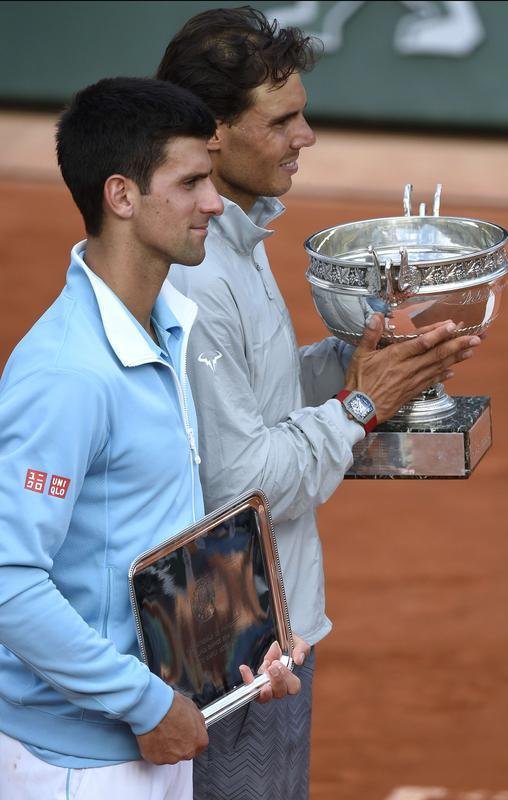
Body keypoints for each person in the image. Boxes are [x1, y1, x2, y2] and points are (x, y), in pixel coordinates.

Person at [157, 7, 483, 799]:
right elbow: (239, 488)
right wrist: (359, 407)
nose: (306, 136)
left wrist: (356, 360)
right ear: (212, 136)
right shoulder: (195, 274)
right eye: (284, 120)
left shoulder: (232, 244)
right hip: (229, 646)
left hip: (270, 630)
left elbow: (251, 397)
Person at [0, 75, 301, 800]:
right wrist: (148, 703)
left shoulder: (164, 326)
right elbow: (7, 582)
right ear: (122, 196)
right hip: (77, 766)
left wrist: (236, 648)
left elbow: (143, 533)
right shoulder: (69, 373)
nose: (213, 202)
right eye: (192, 180)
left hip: (149, 739)